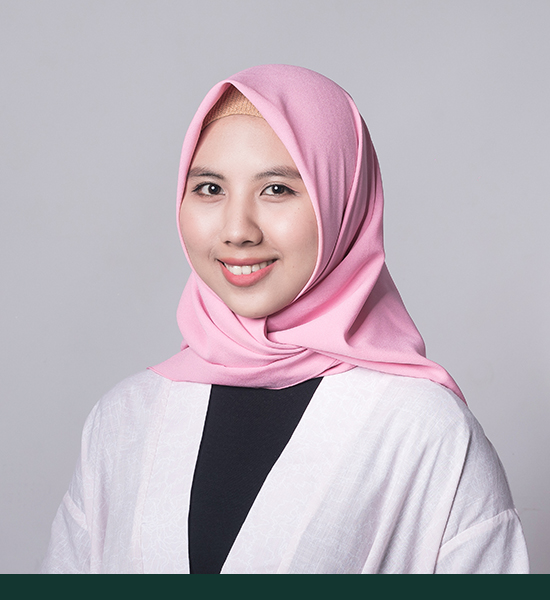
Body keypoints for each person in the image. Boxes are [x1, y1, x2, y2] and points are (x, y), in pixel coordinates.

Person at [41, 65, 529, 574]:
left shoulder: (425, 431)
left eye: (276, 189)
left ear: (343, 203)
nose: (237, 230)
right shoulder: (123, 420)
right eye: (209, 188)